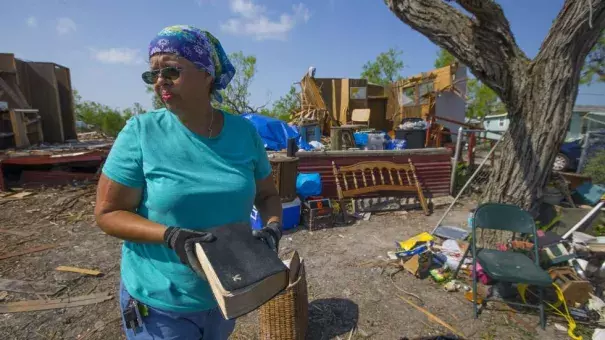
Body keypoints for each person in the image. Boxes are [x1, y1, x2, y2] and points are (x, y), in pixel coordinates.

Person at [94, 25, 283, 340]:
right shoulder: (141, 133)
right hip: (160, 305)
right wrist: (171, 236)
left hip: (225, 293)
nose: (160, 81)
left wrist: (273, 227)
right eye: (152, 74)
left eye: (171, 70)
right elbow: (108, 213)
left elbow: (266, 195)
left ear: (207, 73)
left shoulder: (244, 134)